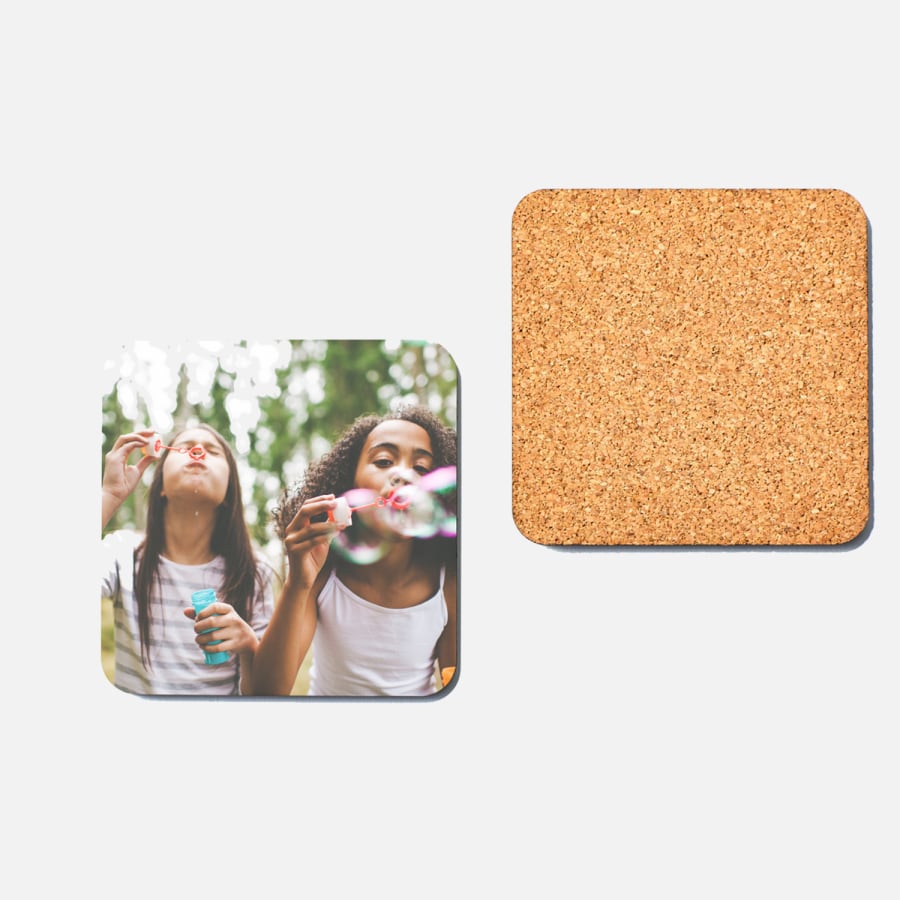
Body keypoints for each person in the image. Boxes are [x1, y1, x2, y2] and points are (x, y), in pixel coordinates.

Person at [252, 405, 458, 697]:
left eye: (421, 468)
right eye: (384, 461)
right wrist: (298, 582)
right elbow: (265, 692)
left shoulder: (446, 581)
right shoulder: (324, 573)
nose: (404, 475)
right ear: (349, 482)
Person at [101, 424, 275, 695]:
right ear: (161, 488)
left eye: (212, 451)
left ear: (229, 493)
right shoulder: (123, 552)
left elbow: (266, 694)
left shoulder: (253, 571)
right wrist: (108, 497)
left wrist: (249, 648)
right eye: (185, 447)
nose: (197, 452)